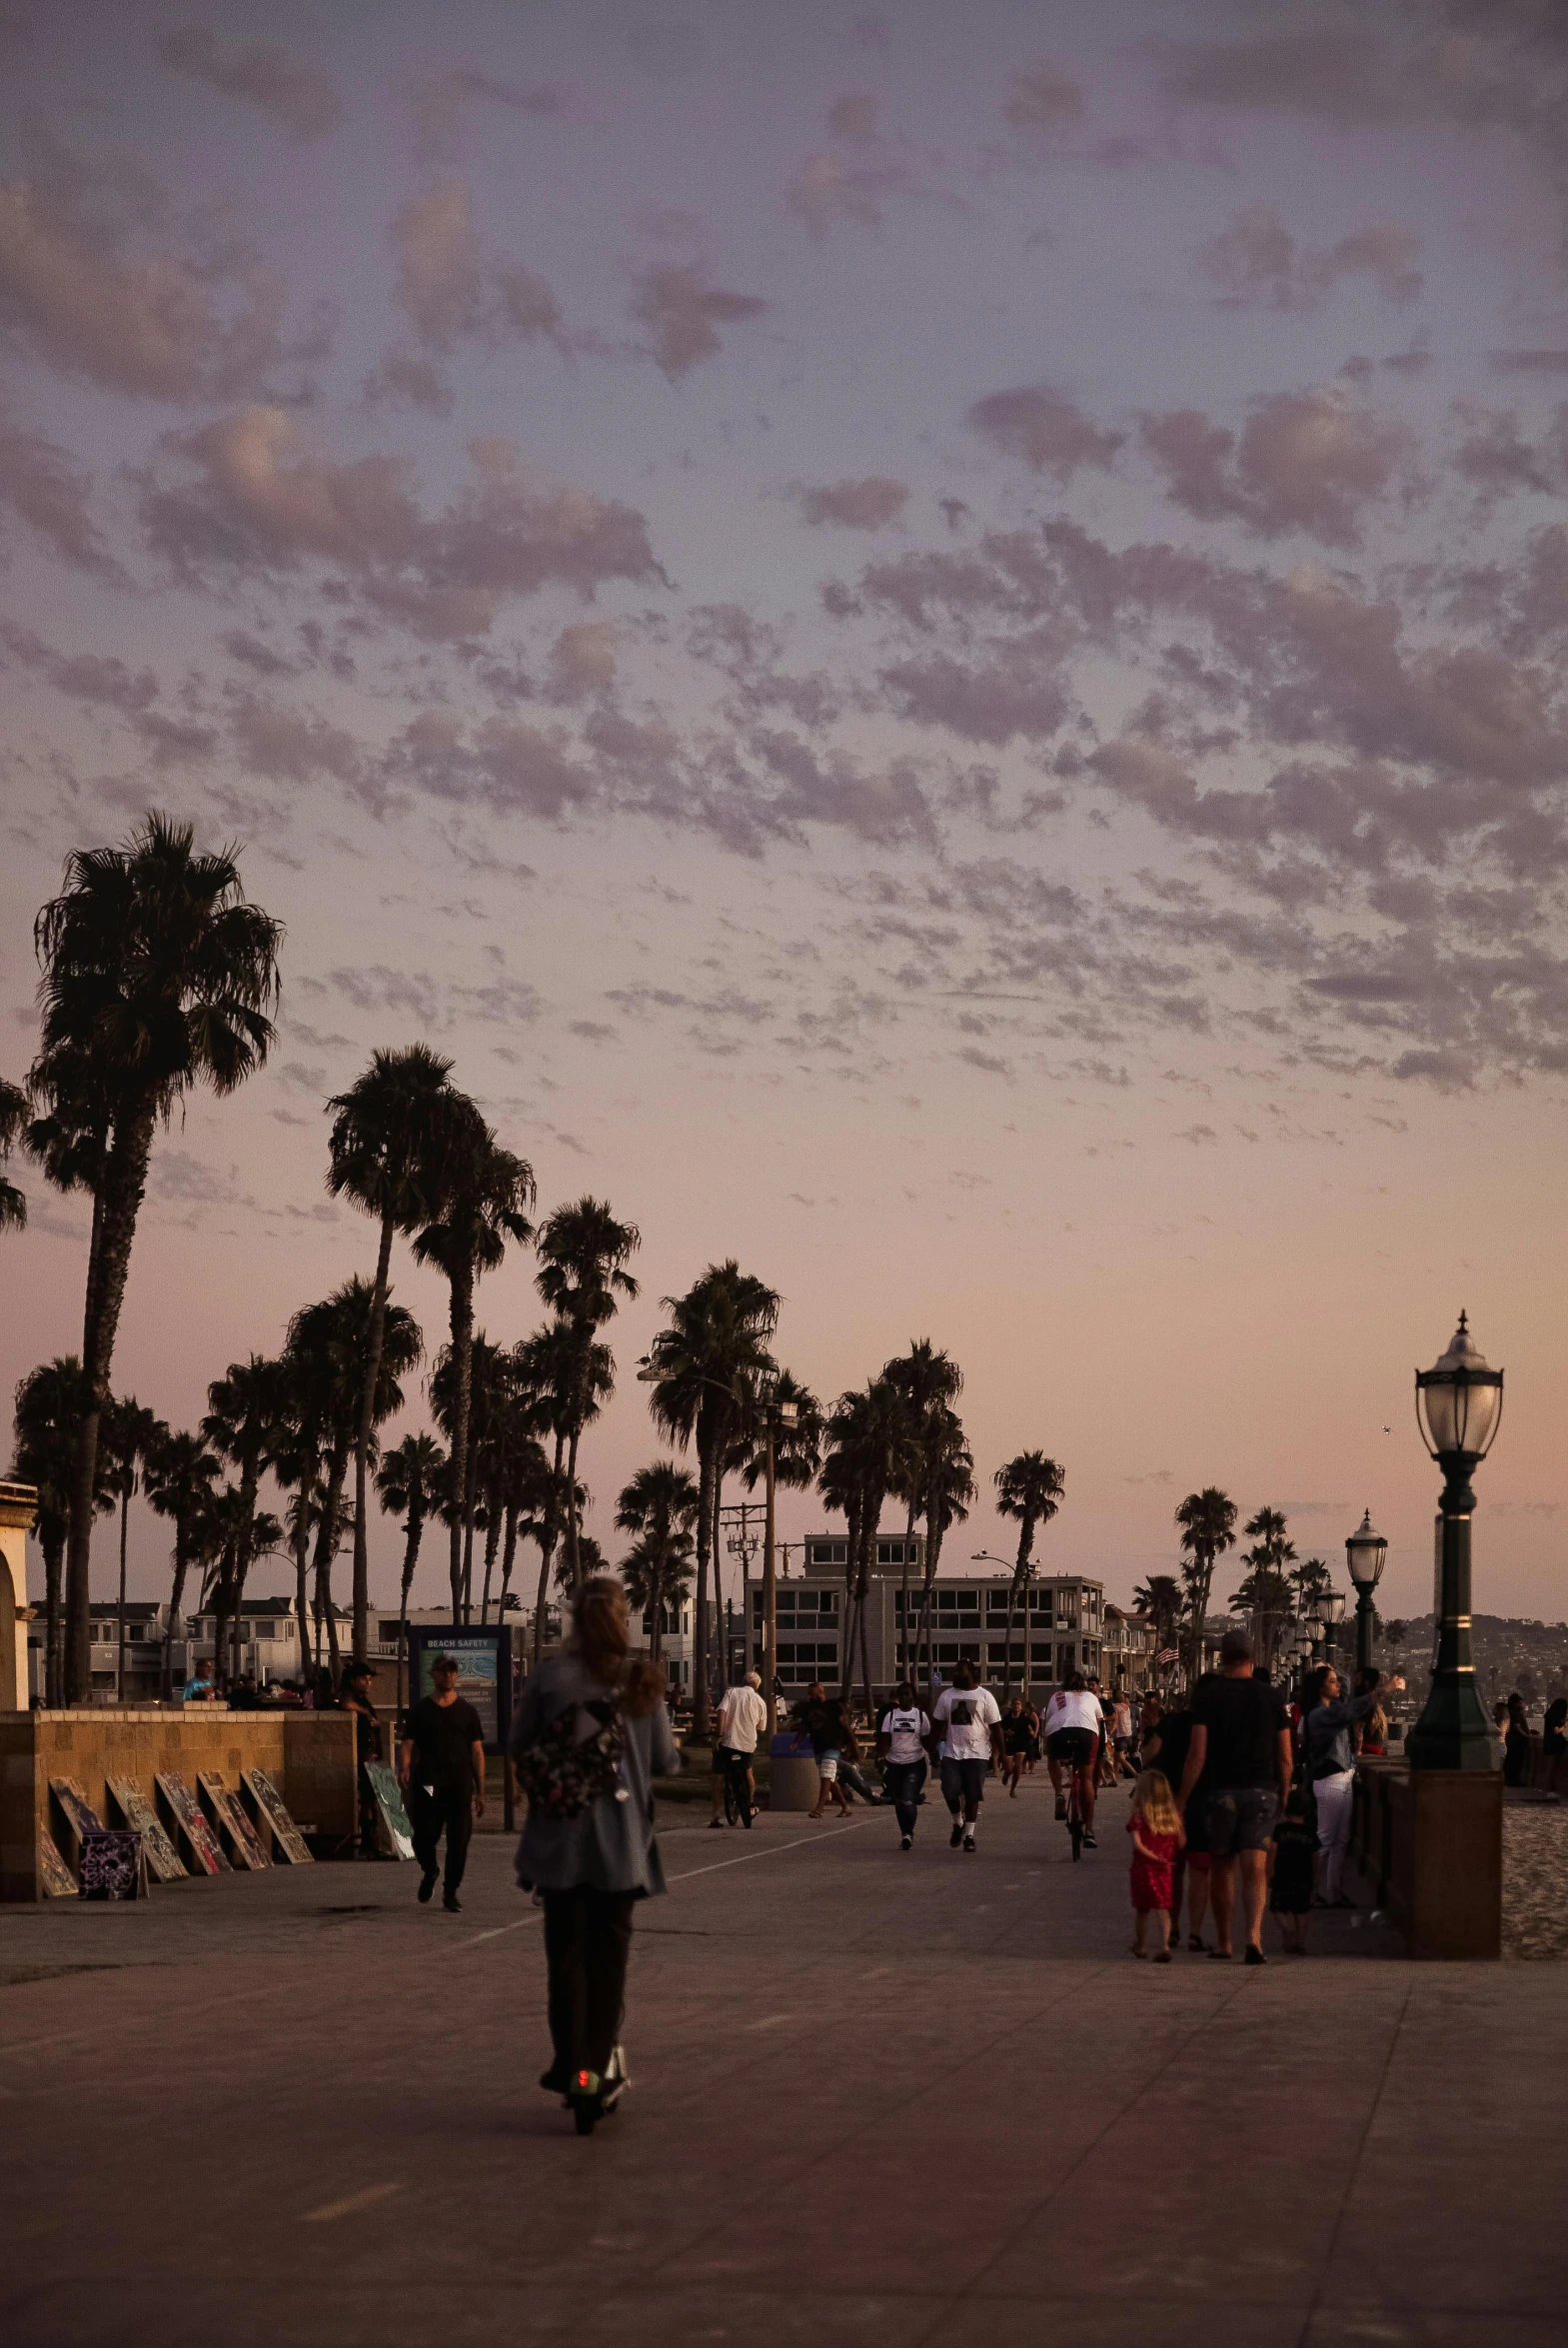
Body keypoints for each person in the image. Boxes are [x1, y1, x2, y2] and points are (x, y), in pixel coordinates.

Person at [512, 1575, 677, 2135]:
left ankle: (571, 2063)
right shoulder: (642, 1680)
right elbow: (665, 1760)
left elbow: (517, 1744)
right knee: (609, 1968)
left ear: (574, 1618)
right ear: (623, 1617)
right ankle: (597, 2067)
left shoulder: (550, 1677)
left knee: (565, 1963)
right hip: (622, 1850)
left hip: (560, 1846)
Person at [1179, 1630, 1293, 1965]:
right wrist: (1284, 1793)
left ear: (1222, 1658)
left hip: (1220, 1793)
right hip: (1262, 1792)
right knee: (1256, 1868)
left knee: (1222, 1867)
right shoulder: (1273, 1697)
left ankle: (1225, 1941)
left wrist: (1182, 1799)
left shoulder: (1208, 1698)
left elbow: (1196, 1755)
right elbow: (1285, 1756)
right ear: (1253, 1657)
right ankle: (1254, 1937)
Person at [1299, 1662, 1401, 1907]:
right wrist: (1383, 1689)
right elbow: (1350, 1710)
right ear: (1320, 1688)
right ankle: (1313, 1892)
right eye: (1331, 1681)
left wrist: (1332, 1668)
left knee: (1340, 1840)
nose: (1337, 1684)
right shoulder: (1319, 1715)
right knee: (1325, 1839)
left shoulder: (1331, 1706)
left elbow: (1345, 1692)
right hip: (1330, 1780)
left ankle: (1332, 1892)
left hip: (1343, 1777)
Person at [399, 1654, 486, 1912]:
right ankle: (430, 1870)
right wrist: (404, 1767)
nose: (448, 1676)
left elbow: (477, 1751)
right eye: (443, 1672)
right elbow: (407, 1743)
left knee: (459, 1841)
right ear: (433, 1675)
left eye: (452, 1672)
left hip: (459, 1784)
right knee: (424, 1837)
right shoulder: (421, 1710)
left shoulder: (467, 1712)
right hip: (429, 1782)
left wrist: (481, 1790)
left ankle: (450, 1891)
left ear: (456, 1675)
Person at [1143, 1690, 1210, 1950]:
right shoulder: (1212, 1722)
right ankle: (1194, 1931)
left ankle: (1172, 1929)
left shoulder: (1171, 1721)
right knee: (1200, 1869)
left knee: (1172, 1868)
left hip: (1168, 1797)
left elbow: (1150, 1754)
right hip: (1202, 1797)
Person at [931, 1661, 1003, 1851]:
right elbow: (937, 1725)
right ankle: (958, 1822)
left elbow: (996, 1728)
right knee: (949, 1790)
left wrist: (1003, 1755)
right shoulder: (946, 1696)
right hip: (952, 1753)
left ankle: (969, 1836)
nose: (955, 1673)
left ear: (971, 1672)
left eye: (959, 1670)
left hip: (977, 1753)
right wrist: (931, 1750)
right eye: (953, 1670)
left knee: (972, 1795)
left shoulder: (985, 1696)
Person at [1042, 1670, 1103, 1847]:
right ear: (1083, 1685)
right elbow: (1098, 1723)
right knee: (1086, 1781)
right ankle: (1090, 1831)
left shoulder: (1056, 1696)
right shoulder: (1091, 1697)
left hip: (1059, 1732)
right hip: (1086, 1733)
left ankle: (1059, 1793)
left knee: (1052, 1758)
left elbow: (1049, 1722)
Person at [1127, 1768, 1183, 1959]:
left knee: (1142, 1910)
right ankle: (1164, 1945)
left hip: (1143, 1869)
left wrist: (1151, 1856)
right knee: (1163, 1908)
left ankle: (1141, 1945)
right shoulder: (1172, 1818)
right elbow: (1182, 1842)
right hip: (1164, 1869)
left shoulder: (1139, 1817)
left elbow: (1137, 1843)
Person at [875, 1680, 931, 1848]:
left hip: (915, 1763)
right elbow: (885, 1740)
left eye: (907, 1694)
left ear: (913, 1696)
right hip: (894, 1764)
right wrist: (879, 1757)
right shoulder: (891, 1716)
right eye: (901, 1694)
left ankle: (909, 1832)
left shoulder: (920, 1716)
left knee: (908, 1797)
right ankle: (905, 1834)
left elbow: (927, 1740)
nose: (904, 1697)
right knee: (899, 1801)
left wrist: (934, 1756)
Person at [710, 1669, 767, 1829]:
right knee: (748, 1772)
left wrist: (719, 1734)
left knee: (718, 1776)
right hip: (747, 1745)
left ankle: (715, 1815)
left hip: (727, 1742)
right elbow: (761, 1727)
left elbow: (722, 1712)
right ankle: (749, 1804)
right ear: (756, 1686)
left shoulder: (732, 1692)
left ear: (744, 1681)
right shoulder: (760, 1701)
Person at [341, 1658, 385, 1857]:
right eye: (364, 1679)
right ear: (353, 1680)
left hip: (372, 1755)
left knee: (371, 1800)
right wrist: (366, 1715)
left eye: (369, 1679)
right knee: (368, 1801)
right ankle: (369, 1842)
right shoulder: (351, 1697)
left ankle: (371, 1841)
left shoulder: (363, 1699)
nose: (368, 1682)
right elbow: (345, 1703)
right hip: (362, 1756)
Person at [1268, 1784, 1317, 1954]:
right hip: (1303, 1876)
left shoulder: (1279, 1830)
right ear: (1308, 1811)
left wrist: (1270, 1872)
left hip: (1282, 1874)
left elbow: (1272, 1850)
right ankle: (1301, 1942)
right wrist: (1314, 1878)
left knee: (1278, 1908)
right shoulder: (1310, 1833)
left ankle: (1286, 1929)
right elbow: (1314, 1857)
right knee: (1301, 1911)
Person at [795, 1682, 852, 1819]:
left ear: (821, 1692)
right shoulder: (808, 1709)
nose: (810, 1696)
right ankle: (845, 1806)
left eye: (812, 1693)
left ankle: (819, 1808)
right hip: (818, 1746)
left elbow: (845, 1725)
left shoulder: (833, 1706)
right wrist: (796, 1742)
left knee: (826, 1775)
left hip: (833, 1745)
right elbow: (804, 1727)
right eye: (809, 1693)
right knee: (830, 1778)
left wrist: (852, 1745)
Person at [1000, 1694, 1032, 1796]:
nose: (1016, 1706)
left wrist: (1032, 1733)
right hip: (1009, 1744)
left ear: (1021, 1706)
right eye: (1014, 1704)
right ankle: (1006, 1774)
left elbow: (1030, 1729)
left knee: (1018, 1768)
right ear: (1011, 1706)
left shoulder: (1024, 1718)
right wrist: (1006, 1732)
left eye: (1018, 1704)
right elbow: (1000, 1730)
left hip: (1021, 1744)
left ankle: (1013, 1789)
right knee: (1009, 1768)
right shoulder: (1006, 1718)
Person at [1503, 1692, 1533, 1788]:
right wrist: (1527, 1735)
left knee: (1510, 1761)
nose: (1522, 1705)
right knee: (1516, 1762)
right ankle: (1515, 1781)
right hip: (1517, 1741)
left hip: (1510, 1740)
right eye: (1520, 1703)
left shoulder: (1508, 1712)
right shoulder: (1515, 1713)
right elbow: (1517, 1727)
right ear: (1516, 1703)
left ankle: (1511, 1781)